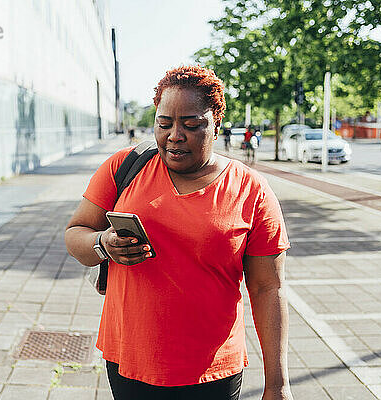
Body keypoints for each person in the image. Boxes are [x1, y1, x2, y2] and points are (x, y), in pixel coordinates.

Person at [65, 65, 293, 400]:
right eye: (164, 123)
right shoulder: (124, 167)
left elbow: (267, 288)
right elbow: (76, 233)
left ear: (216, 123)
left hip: (213, 372)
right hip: (131, 360)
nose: (174, 135)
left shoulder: (250, 188)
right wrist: (103, 244)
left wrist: (278, 385)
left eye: (191, 124)